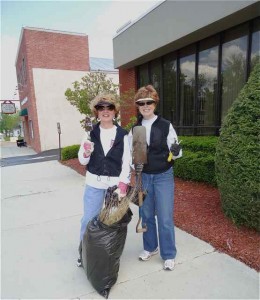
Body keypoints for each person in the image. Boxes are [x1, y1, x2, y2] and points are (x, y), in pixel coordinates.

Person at [128, 85, 182, 271]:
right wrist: (131, 169)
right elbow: (130, 154)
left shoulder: (165, 125)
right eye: (141, 103)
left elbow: (176, 151)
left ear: (155, 103)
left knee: (165, 217)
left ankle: (168, 254)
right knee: (146, 215)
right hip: (143, 177)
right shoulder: (135, 128)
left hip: (163, 176)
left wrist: (176, 152)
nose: (145, 105)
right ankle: (150, 247)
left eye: (149, 102)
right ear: (138, 106)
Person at [77, 93, 131, 267]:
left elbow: (127, 161)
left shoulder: (124, 134)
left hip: (115, 185)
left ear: (115, 112)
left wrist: (123, 184)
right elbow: (82, 161)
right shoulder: (89, 134)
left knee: (112, 221)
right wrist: (86, 152)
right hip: (94, 183)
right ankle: (84, 253)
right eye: (101, 108)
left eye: (109, 108)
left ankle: (109, 254)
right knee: (88, 219)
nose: (105, 111)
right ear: (96, 112)